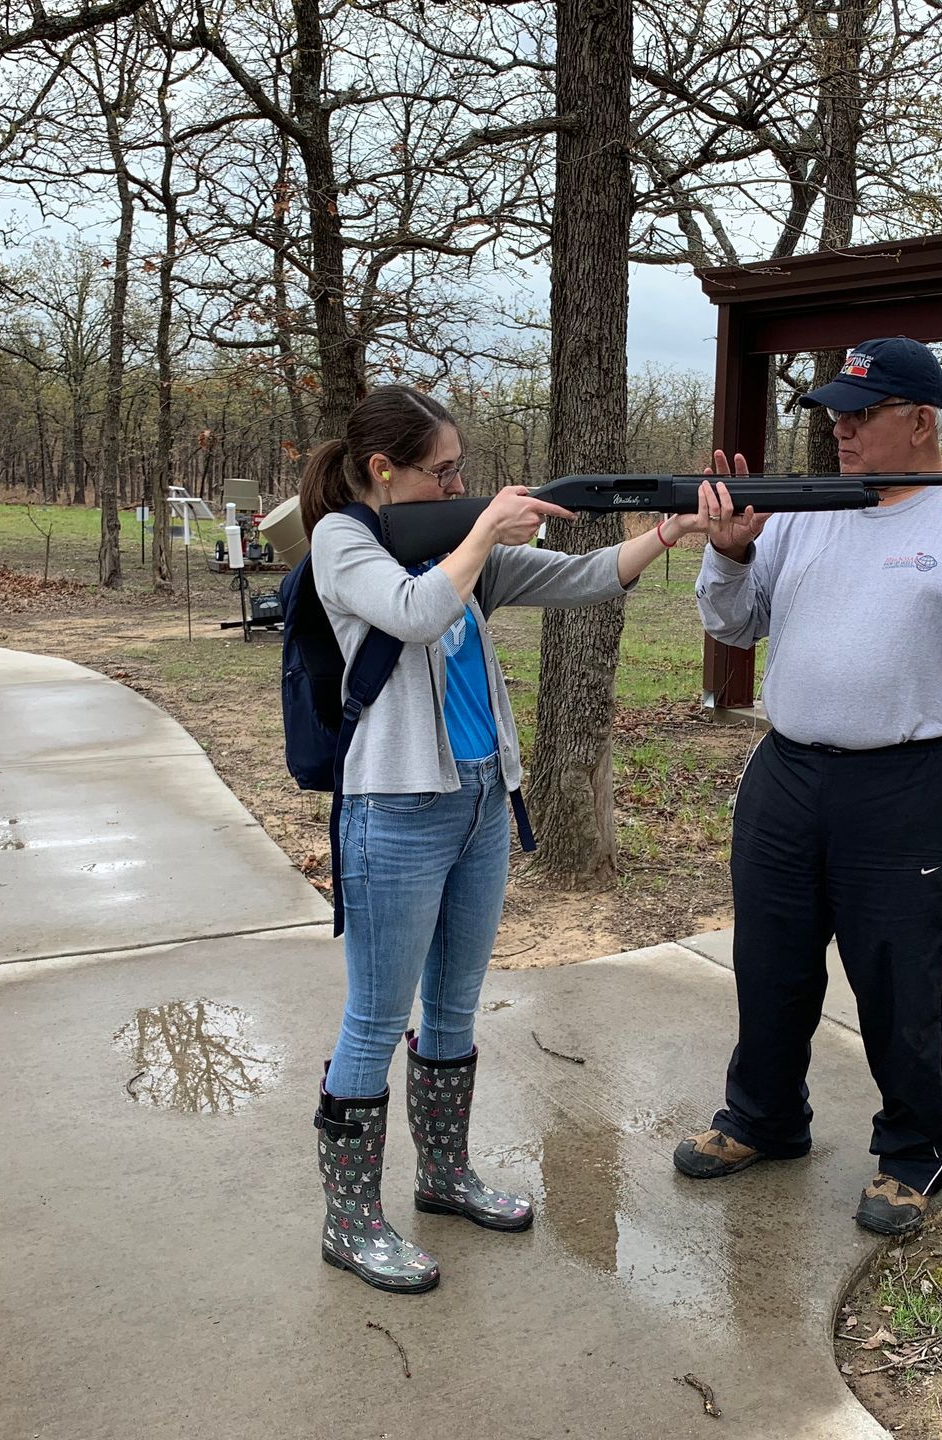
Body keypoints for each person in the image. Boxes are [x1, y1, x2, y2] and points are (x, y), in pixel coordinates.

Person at [304, 385, 712, 1294]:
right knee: (376, 1018)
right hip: (396, 806)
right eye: (442, 472)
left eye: (461, 470)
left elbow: (580, 578)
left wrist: (667, 534)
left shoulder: (455, 548)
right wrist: (483, 530)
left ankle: (445, 1177)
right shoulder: (343, 540)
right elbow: (411, 613)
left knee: (454, 1008)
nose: (461, 483)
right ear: (385, 471)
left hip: (484, 798)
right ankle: (351, 1221)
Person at [675, 336, 942, 1237]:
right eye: (834, 414)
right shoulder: (810, 510)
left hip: (915, 778)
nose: (840, 430)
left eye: (861, 414)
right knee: (769, 959)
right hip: (790, 768)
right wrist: (729, 555)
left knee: (905, 973)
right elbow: (736, 626)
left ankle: (914, 1149)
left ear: (921, 420)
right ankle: (765, 1119)